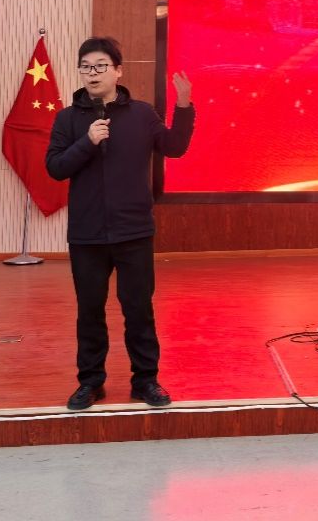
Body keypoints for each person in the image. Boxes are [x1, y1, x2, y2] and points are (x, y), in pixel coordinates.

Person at [45, 36, 195, 411]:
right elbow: (55, 168)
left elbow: (174, 147)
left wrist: (183, 106)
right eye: (86, 67)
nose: (92, 73)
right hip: (87, 235)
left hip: (134, 232)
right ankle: (90, 382)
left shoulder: (141, 114)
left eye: (100, 66)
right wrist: (87, 141)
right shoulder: (67, 118)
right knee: (90, 312)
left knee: (138, 310)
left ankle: (145, 381)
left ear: (117, 71)